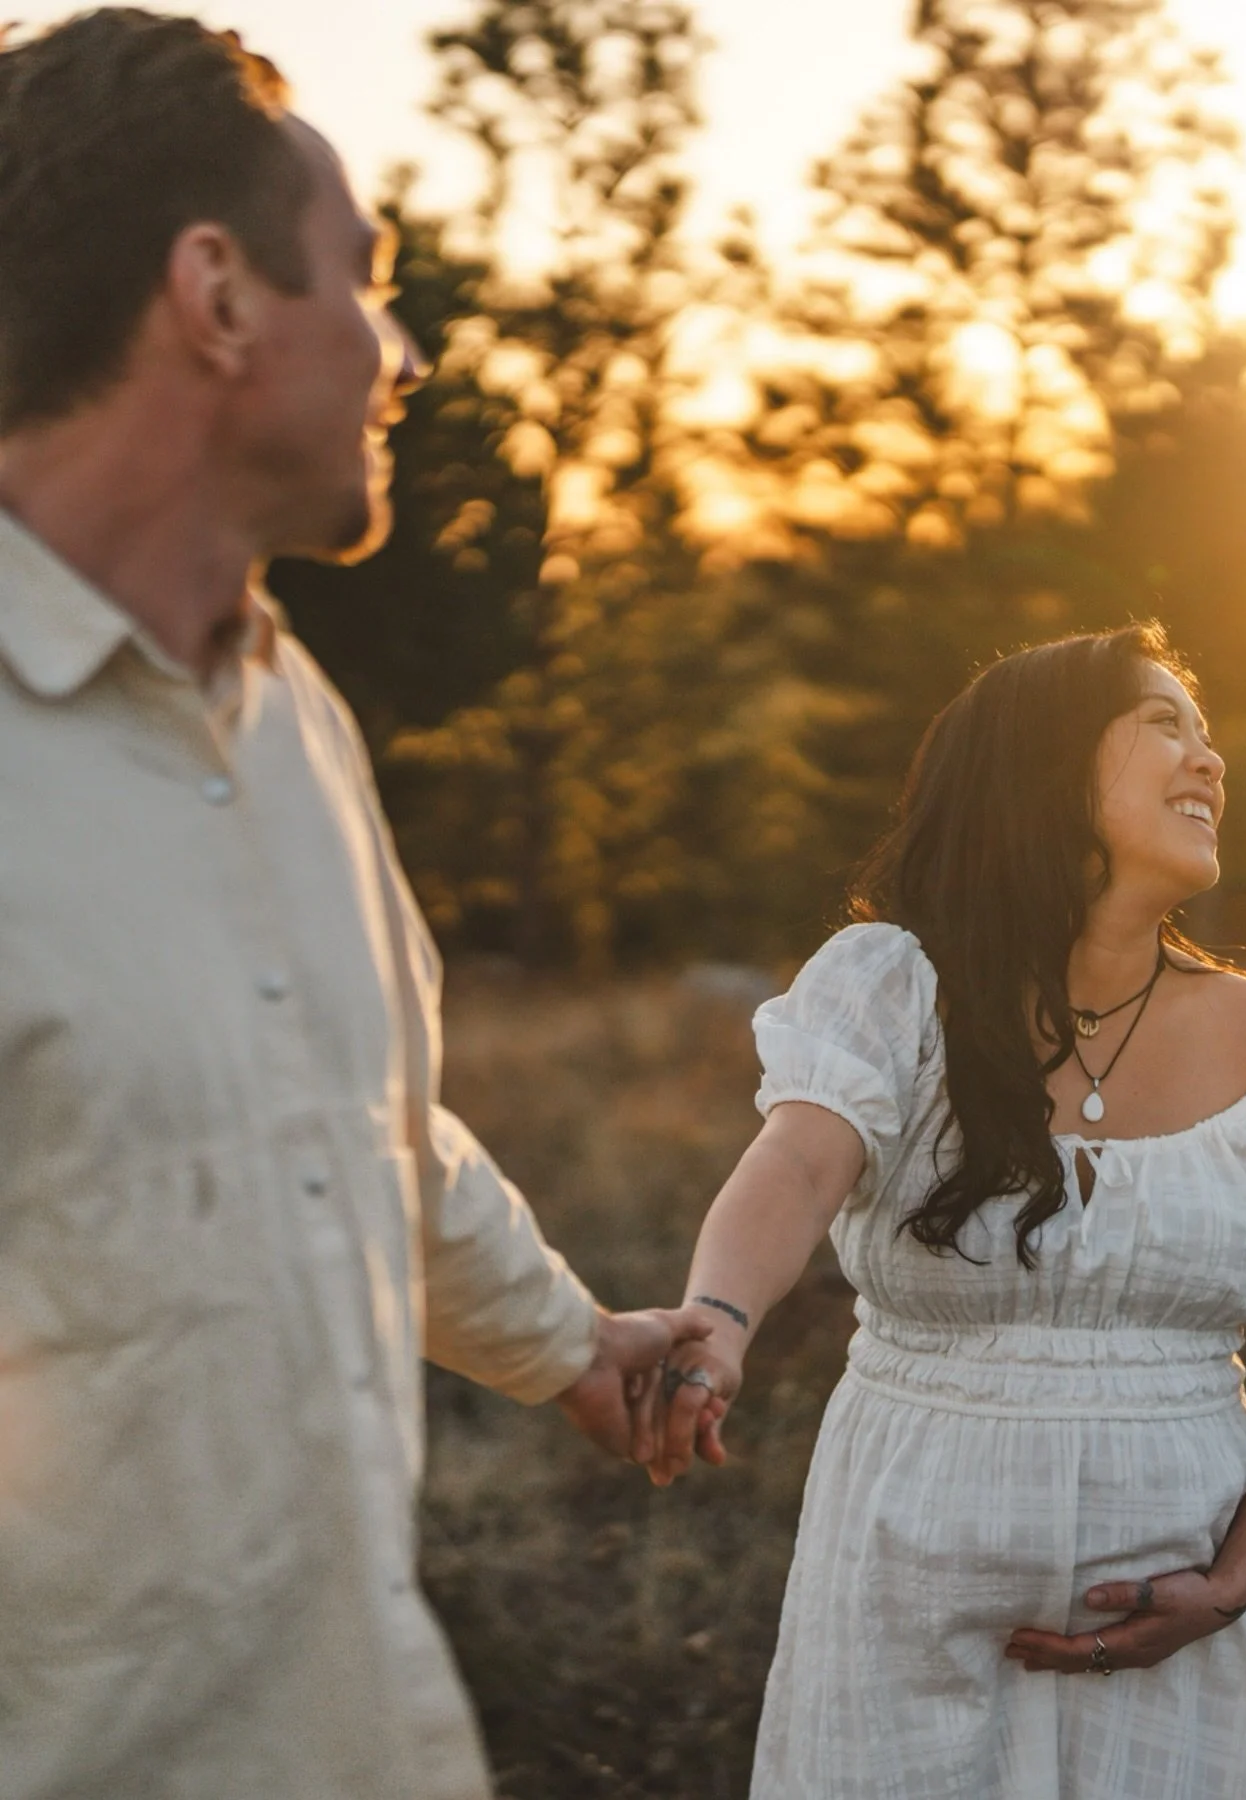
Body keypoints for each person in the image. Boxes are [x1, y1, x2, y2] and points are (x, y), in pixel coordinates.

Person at [0, 12, 707, 1799]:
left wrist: (572, 1350)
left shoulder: (294, 717)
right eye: (367, 286)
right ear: (217, 296)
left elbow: (361, 1128)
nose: (401, 356)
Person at [647, 624, 1246, 1798]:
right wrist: (717, 1319)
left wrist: (1232, 1583)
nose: (1209, 762)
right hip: (905, 1578)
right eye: (1164, 724)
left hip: (1168, 1633)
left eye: (1209, 739)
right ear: (1043, 763)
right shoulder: (898, 985)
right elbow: (798, 1162)